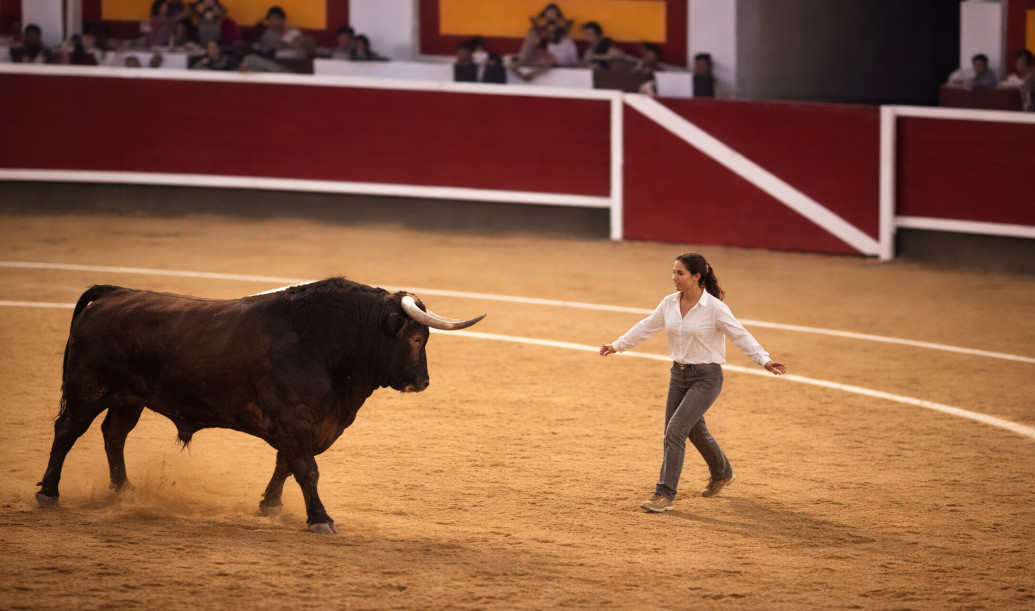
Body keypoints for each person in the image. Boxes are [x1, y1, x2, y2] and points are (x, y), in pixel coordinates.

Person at [599, 252, 787, 513]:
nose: (674, 278)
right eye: (673, 272)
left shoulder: (715, 308)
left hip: (706, 378)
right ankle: (722, 473)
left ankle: (664, 494)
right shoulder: (669, 303)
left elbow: (740, 335)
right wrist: (617, 346)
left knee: (675, 430)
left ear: (696, 276)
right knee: (691, 429)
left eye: (680, 273)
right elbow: (646, 326)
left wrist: (764, 360)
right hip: (678, 376)